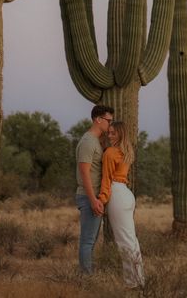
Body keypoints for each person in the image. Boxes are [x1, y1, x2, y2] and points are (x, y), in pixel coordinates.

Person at [99, 120, 145, 289]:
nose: (109, 135)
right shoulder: (126, 152)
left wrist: (101, 201)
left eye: (113, 133)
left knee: (124, 241)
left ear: (121, 134)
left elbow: (106, 179)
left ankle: (132, 284)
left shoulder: (110, 152)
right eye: (108, 132)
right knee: (131, 240)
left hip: (117, 194)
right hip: (127, 194)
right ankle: (139, 279)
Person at [75, 104, 114, 274]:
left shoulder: (94, 140)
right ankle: (86, 278)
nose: (110, 125)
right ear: (98, 119)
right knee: (88, 241)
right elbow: (84, 172)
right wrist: (93, 200)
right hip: (89, 197)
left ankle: (87, 275)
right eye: (108, 120)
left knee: (90, 240)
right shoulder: (88, 141)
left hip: (94, 197)